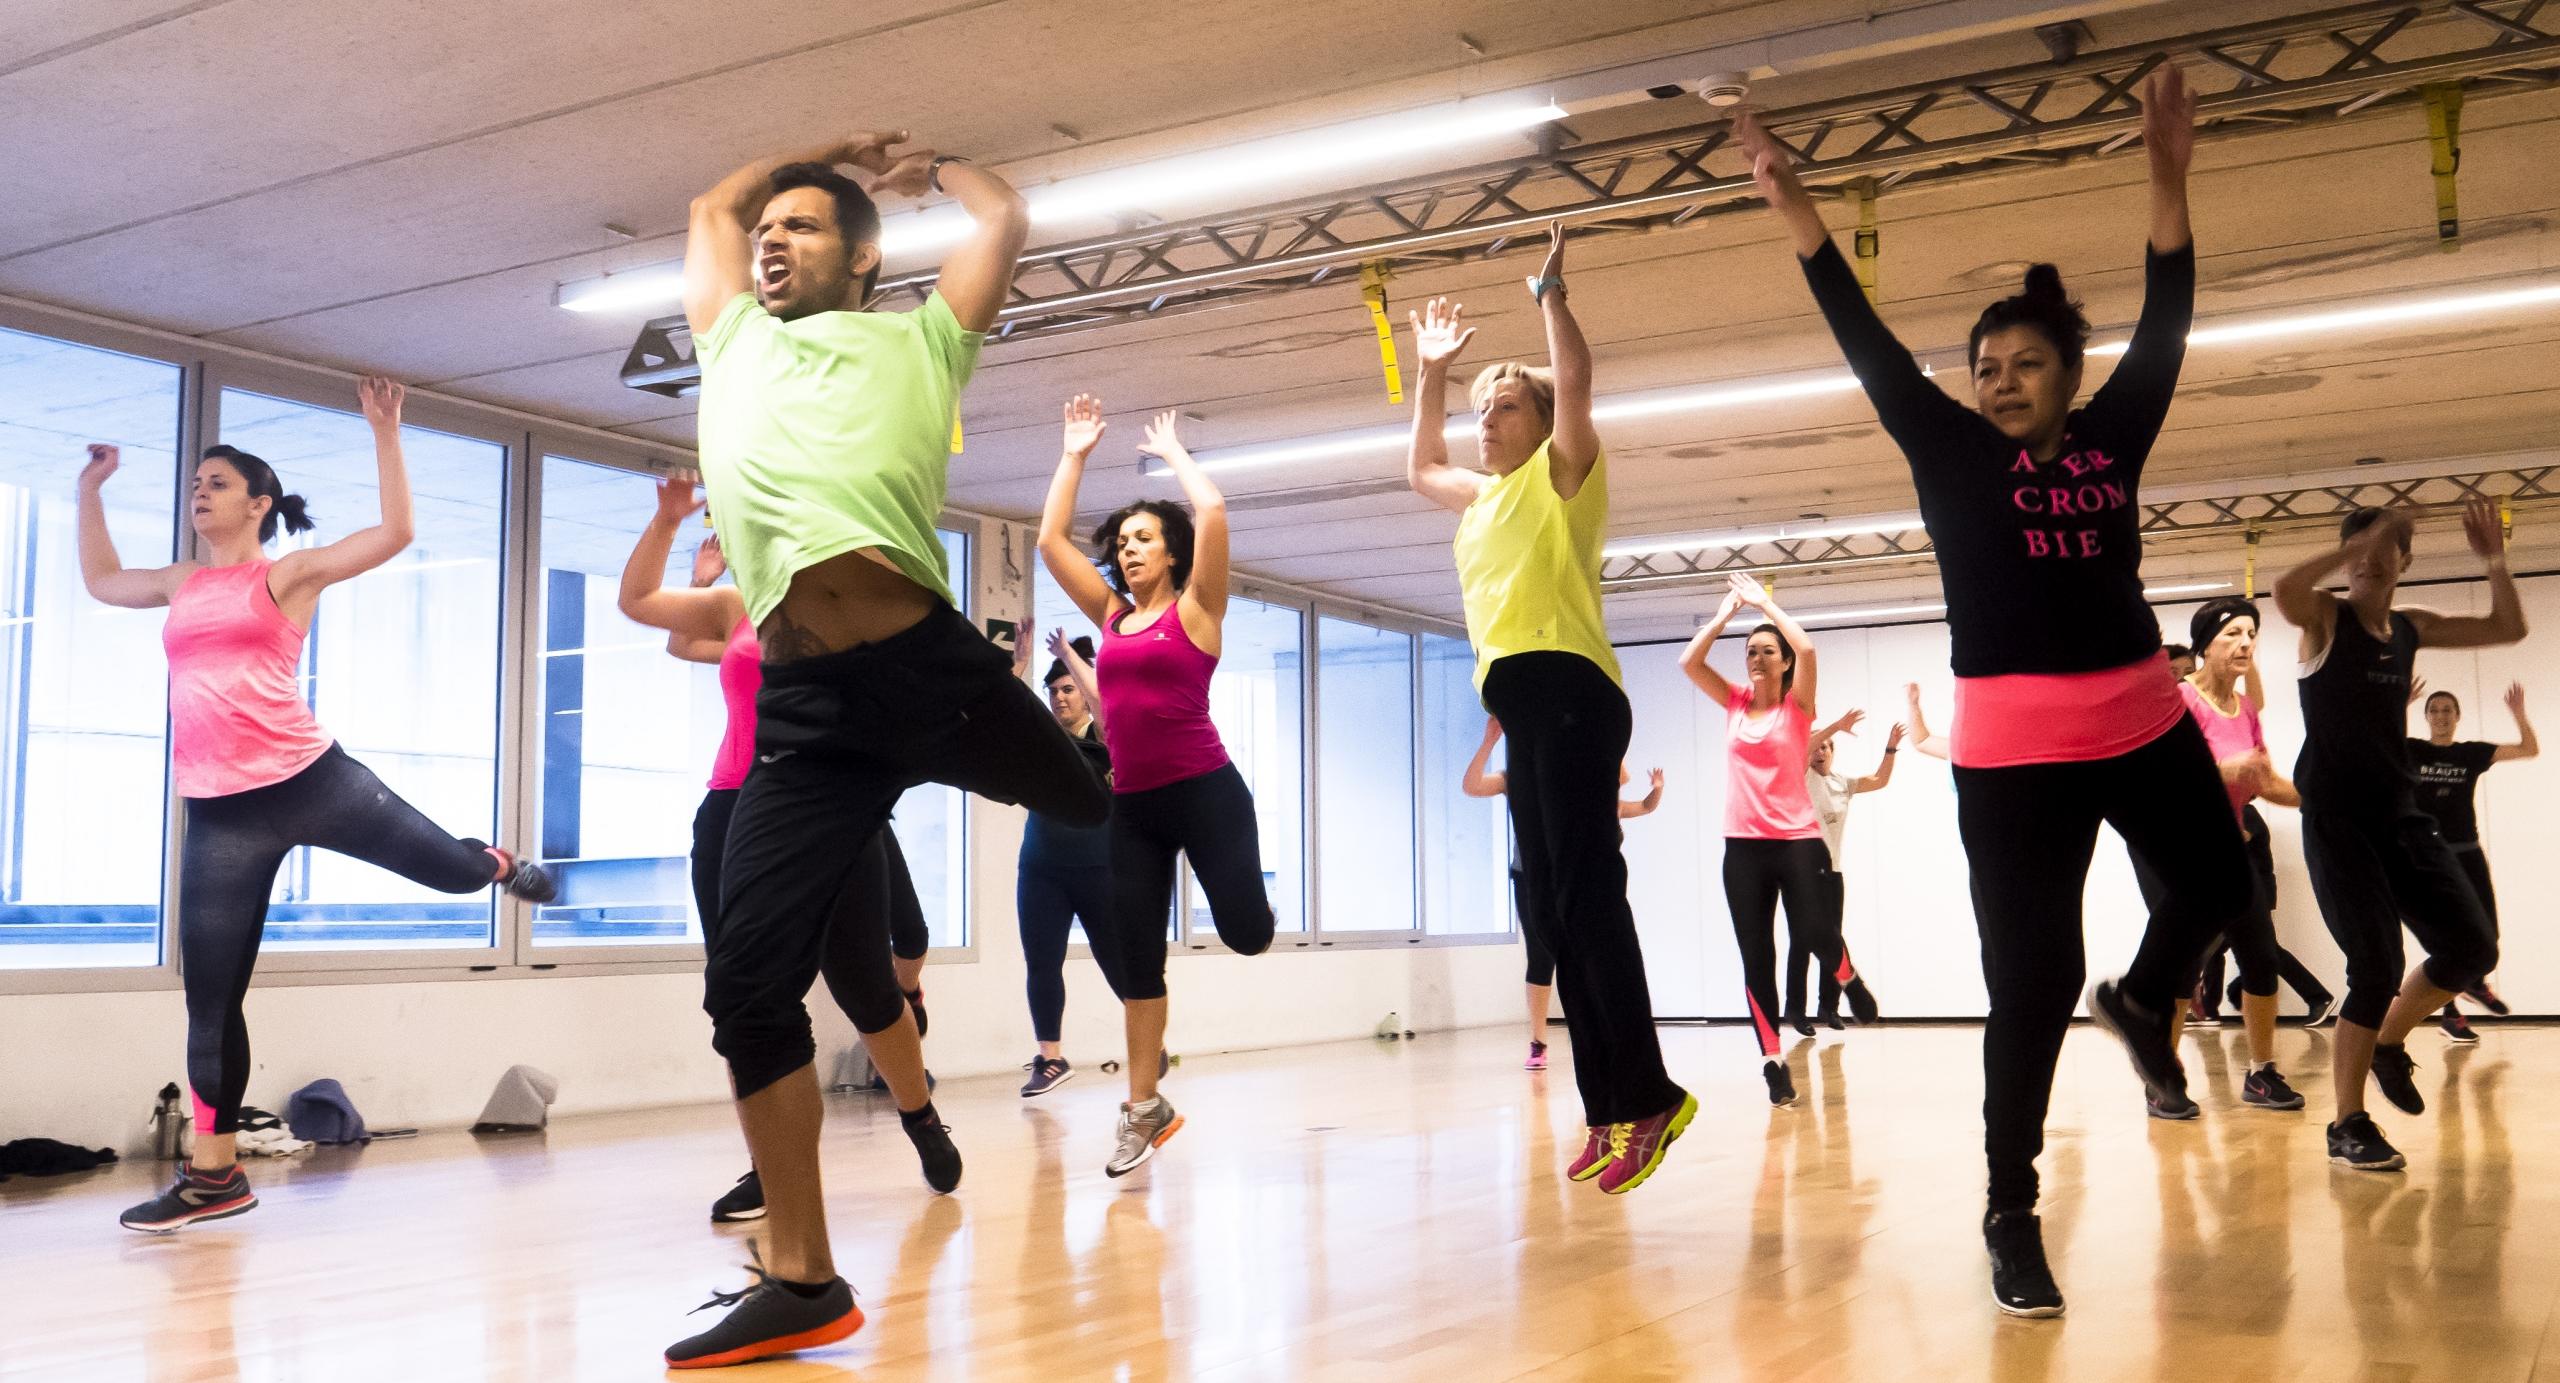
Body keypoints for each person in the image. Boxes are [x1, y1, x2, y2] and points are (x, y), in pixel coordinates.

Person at [1739, 66, 2245, 1317]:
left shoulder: (2114, 437)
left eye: (2026, 363)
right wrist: (1794, 203)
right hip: (2015, 752)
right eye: (1986, 367)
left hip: (2142, 718)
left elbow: (2168, 320)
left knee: (2223, 885)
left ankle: (2142, 997)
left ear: (2070, 374)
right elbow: (1861, 338)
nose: (2002, 380)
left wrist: (2167, 176)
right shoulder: (1949, 450)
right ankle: (2010, 1211)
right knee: (2030, 981)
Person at [671, 130, 1110, 1368]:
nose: (772, 239)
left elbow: (1002, 218)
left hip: (928, 676)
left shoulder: (923, 341)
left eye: (804, 226)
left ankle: (1088, 764)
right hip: (810, 722)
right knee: (745, 985)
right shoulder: (731, 338)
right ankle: (804, 1279)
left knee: (1086, 803)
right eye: (770, 229)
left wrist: (931, 169)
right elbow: (711, 204)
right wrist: (809, 159)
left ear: (864, 260)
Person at [84, 378, 557, 1235]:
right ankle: (214, 1176)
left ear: (259, 504)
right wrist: (91, 490)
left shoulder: (288, 574)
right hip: (222, 812)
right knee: (210, 999)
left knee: (452, 875)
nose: (200, 491)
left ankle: (492, 861)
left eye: (218, 482)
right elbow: (104, 581)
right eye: (195, 483)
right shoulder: (182, 581)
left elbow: (395, 533)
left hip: (313, 780)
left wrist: (386, 431)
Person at [1405, 221, 1695, 1195]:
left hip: (1572, 690)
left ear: (1537, 422)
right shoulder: (1478, 498)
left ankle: (1651, 1096)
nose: (1487, 423)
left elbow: (1575, 381)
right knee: (1556, 911)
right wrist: (1432, 373)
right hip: (1526, 706)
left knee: (1588, 896)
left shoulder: (1561, 476)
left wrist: (1551, 297)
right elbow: (1419, 467)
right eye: (1481, 410)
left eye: (1504, 406)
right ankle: (1608, 1108)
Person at [614, 479, 934, 1225]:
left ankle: (920, 1115)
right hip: (732, 810)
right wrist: (667, 522)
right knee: (743, 996)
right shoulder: (739, 606)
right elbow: (640, 604)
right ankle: (769, 1164)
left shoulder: (856, 611)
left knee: (866, 989)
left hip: (826, 811)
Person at [1037, 396, 1274, 1177]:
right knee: (1137, 960)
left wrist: (1175, 458)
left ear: (1172, 552)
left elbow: (1214, 511)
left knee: (1247, 933)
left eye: (1144, 538)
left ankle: (1253, 905)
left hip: (1207, 794)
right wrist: (1074, 455)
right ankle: (1144, 1106)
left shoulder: (1199, 609)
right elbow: (1048, 542)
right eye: (1123, 542)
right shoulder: (1110, 618)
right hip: (1133, 808)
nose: (1130, 549)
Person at [2273, 500, 2523, 1174]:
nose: (2368, 559)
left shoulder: (2411, 627)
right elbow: (2287, 590)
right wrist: (2360, 542)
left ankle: (2388, 1041)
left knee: (2473, 947)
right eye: (2356, 548)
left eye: (2384, 549)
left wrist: (2494, 560)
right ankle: (2346, 1123)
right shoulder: (2326, 618)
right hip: (2338, 823)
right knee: (2375, 965)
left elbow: (2507, 626)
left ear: (2405, 561)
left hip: (2400, 817)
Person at [1681, 573, 1879, 1107]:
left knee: (1813, 930)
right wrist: (1723, 617)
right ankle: (1772, 1061)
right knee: (1757, 957)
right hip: (1742, 847)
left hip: (1797, 839)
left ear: (1784, 662)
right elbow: (1689, 663)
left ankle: (1847, 977)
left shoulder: (1799, 707)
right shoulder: (1734, 702)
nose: (1758, 658)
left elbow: (1808, 648)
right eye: (1751, 651)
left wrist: (1765, 605)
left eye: (1768, 651)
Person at [2131, 597, 2309, 1116]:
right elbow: (2155, 780)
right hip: (2175, 852)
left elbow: (2264, 781)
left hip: (2228, 849)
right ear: (2205, 645)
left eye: (2251, 634)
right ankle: (2161, 1077)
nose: (2245, 643)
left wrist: (2322, 799)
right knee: (2183, 965)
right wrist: (2225, 770)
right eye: (2233, 634)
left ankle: (2261, 1073)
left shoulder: (2245, 709)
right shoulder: (2177, 700)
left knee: (2262, 957)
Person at [1460, 718, 1662, 1071]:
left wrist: (1602, 735)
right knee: (1541, 957)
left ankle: (1598, 1034)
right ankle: (1538, 1042)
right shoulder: (1513, 777)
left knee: (1589, 953)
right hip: (1529, 876)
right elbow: (1472, 786)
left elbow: (1623, 779)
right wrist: (1489, 741)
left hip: (1574, 874)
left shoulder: (1571, 769)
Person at [1016, 629, 1124, 1096]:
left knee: (1116, 960)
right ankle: (1051, 1059)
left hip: (1099, 868)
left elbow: (1106, 705)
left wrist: (1068, 656)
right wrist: (1019, 666)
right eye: (1053, 691)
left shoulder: (1106, 735)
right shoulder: (1041, 738)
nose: (1059, 698)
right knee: (1042, 962)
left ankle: (1149, 1038)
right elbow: (1003, 717)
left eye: (1068, 689)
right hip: (1042, 869)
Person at [2407, 680, 2537, 1041]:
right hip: (2430, 857)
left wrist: (2519, 714)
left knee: (2488, 931)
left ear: (2458, 716)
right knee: (2449, 939)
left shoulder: (2470, 754)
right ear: (2426, 716)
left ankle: (2474, 983)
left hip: (2468, 852)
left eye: (2447, 710)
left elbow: (2529, 749)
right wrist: (2399, 705)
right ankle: (2452, 1014)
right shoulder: (2413, 750)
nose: (2441, 716)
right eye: (2434, 710)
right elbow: (2380, 743)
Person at [1787, 709, 1903, 1035]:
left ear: (1833, 751)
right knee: (1801, 942)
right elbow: (1801, 749)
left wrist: (1890, 748)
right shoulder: (1799, 777)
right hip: (1801, 876)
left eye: (1826, 746)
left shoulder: (1841, 783)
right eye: (1816, 746)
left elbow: (1879, 780)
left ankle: (1829, 1007)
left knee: (1834, 941)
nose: (1820, 751)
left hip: (1833, 874)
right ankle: (1795, 1009)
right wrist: (1835, 726)